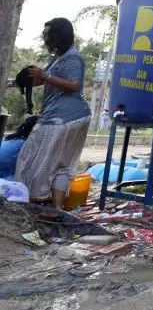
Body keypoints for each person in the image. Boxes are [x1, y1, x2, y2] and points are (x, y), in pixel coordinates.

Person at [14, 18, 91, 209]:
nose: (45, 38)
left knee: (31, 159)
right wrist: (16, 82)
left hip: (62, 119)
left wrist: (45, 75)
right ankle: (56, 209)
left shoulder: (73, 57)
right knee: (61, 166)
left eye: (48, 35)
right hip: (70, 117)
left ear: (60, 35)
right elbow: (45, 80)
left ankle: (34, 205)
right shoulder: (58, 56)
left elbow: (74, 85)